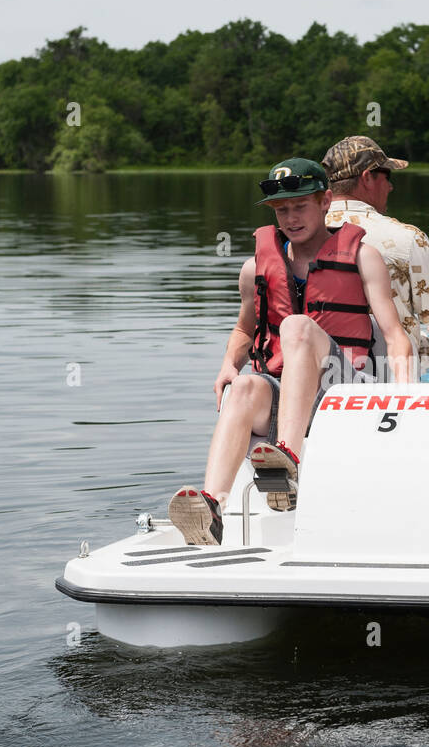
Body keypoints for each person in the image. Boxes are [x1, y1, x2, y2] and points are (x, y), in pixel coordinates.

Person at [167, 157, 413, 545]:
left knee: (297, 326)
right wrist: (228, 366)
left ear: (325, 201)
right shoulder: (255, 269)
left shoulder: (363, 257)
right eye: (282, 211)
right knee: (246, 386)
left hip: (347, 394)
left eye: (300, 206)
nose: (291, 218)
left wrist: (403, 399)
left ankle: (287, 464)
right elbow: (244, 328)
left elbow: (396, 335)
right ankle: (213, 509)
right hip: (289, 397)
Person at [321, 135, 429, 376]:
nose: (390, 187)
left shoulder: (303, 237)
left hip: (323, 371)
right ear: (367, 177)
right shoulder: (406, 237)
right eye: (387, 177)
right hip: (388, 370)